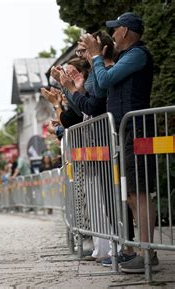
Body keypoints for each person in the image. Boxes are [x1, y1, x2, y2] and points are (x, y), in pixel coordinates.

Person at [80, 12, 156, 273]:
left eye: (115, 30)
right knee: (131, 194)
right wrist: (94, 60)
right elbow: (99, 89)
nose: (112, 36)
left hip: (137, 129)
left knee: (140, 193)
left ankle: (148, 254)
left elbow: (105, 80)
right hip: (125, 131)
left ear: (124, 32)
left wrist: (97, 56)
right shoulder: (125, 58)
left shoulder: (137, 55)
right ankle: (135, 250)